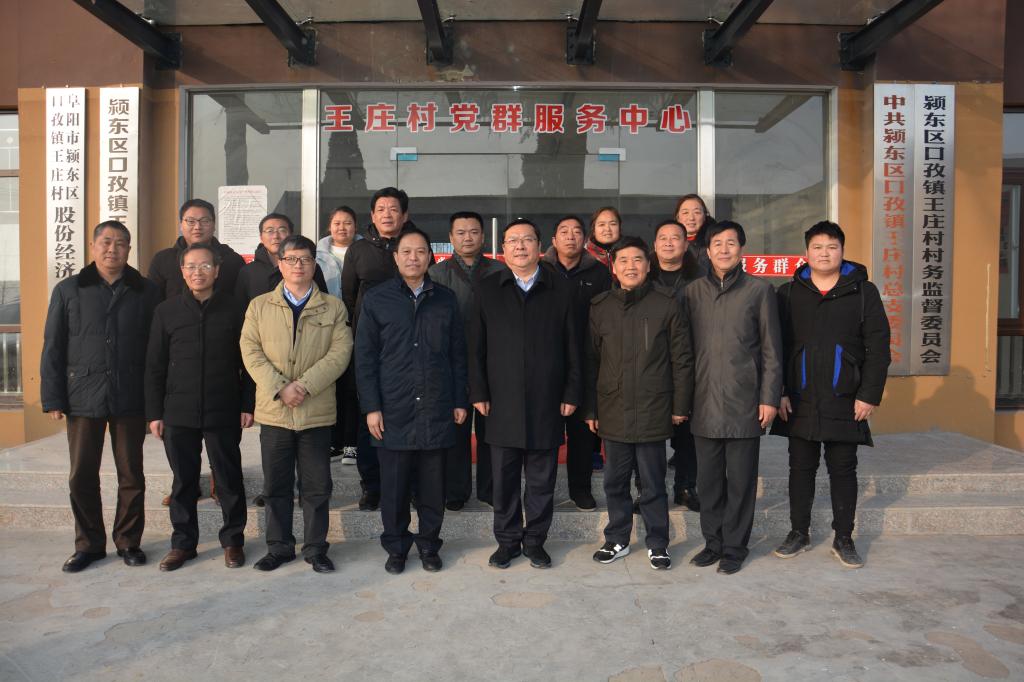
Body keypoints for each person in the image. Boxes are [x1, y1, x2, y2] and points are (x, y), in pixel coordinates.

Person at [41, 221, 160, 572]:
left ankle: (128, 541)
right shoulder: (69, 289)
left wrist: (156, 399)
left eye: (120, 243)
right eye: (106, 242)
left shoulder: (146, 291)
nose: (113, 249)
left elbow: (157, 349)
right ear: (93, 246)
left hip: (130, 393)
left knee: (131, 474)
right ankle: (89, 544)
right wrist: (53, 397)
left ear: (129, 249)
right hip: (82, 393)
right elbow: (53, 345)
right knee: (82, 474)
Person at [771, 221, 891, 569]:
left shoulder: (863, 292)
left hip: (846, 397)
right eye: (817, 247)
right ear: (806, 253)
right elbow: (776, 347)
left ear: (842, 251)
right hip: (800, 397)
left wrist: (868, 395)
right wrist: (780, 391)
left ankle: (844, 537)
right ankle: (799, 532)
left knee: (843, 469)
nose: (824, 253)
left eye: (832, 247)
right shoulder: (788, 293)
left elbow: (878, 347)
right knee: (800, 468)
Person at [355, 228, 468, 574]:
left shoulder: (445, 299)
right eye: (406, 251)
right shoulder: (377, 299)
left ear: (430, 257)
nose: (413, 258)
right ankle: (396, 548)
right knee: (394, 489)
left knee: (433, 488)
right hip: (393, 408)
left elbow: (458, 354)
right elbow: (364, 357)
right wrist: (371, 407)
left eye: (420, 251)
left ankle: (429, 546)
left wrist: (459, 400)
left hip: (436, 406)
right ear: (395, 257)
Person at [469, 219, 580, 570]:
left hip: (547, 400)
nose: (520, 246)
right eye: (513, 241)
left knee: (541, 480)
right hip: (500, 402)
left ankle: (535, 542)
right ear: (503, 248)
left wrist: (571, 391)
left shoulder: (560, 289)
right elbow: (475, 348)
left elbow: (574, 347)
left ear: (539, 247)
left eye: (527, 240)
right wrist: (478, 390)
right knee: (502, 480)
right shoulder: (487, 288)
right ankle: (507, 542)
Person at [240, 235, 353, 573]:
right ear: (280, 264)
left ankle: (316, 548)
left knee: (316, 487)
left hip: (315, 412)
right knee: (276, 486)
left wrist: (303, 385)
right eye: (290, 259)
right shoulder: (260, 306)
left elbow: (340, 353)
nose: (298, 265)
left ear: (314, 264)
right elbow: (250, 350)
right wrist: (281, 388)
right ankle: (279, 547)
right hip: (275, 412)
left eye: (304, 259)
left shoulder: (333, 307)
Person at [585, 237, 693, 570]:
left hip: (652, 408)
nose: (630, 266)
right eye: (623, 261)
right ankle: (617, 538)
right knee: (614, 481)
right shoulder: (600, 306)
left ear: (648, 265)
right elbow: (591, 361)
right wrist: (591, 409)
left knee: (652, 482)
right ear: (613, 268)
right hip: (613, 407)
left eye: (637, 260)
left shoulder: (666, 304)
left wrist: (680, 405)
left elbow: (682, 359)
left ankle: (658, 543)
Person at [145, 243, 253, 571]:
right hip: (178, 410)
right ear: (182, 271)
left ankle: (233, 541)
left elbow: (249, 362)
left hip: (223, 407)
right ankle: (183, 544)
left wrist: (247, 404)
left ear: (217, 271)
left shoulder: (235, 309)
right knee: (184, 482)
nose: (198, 272)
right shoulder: (166, 311)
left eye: (205, 266)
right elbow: (154, 366)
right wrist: (155, 413)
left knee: (229, 479)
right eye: (191, 266)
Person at [684, 220, 783, 575]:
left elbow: (772, 350)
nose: (724, 249)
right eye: (717, 243)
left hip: (745, 402)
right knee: (708, 482)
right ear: (707, 251)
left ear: (741, 249)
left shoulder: (759, 290)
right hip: (703, 401)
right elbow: (683, 351)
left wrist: (769, 398)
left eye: (731, 243)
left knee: (741, 482)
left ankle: (735, 547)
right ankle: (713, 543)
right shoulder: (692, 292)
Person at [235, 212, 329, 507]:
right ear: (261, 237)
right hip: (268, 374)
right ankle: (273, 489)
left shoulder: (310, 271)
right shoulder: (248, 273)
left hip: (310, 379)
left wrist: (305, 384)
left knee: (310, 458)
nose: (275, 234)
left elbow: (326, 322)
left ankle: (304, 490)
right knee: (275, 451)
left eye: (282, 229)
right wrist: (277, 385)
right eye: (269, 230)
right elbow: (246, 337)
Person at [341, 187, 414, 511]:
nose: (387, 214)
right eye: (381, 209)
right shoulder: (358, 251)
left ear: (405, 215)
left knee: (409, 417)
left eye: (394, 209)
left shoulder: (414, 246)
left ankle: (408, 486)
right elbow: (348, 297)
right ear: (372, 215)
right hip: (370, 347)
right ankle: (371, 486)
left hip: (409, 347)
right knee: (368, 418)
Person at [428, 211, 506, 510]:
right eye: (460, 233)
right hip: (452, 360)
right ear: (450, 238)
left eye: (473, 231)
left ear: (483, 237)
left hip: (492, 360)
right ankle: (455, 491)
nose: (467, 237)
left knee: (491, 429)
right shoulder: (437, 273)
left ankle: (489, 489)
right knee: (456, 427)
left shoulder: (500, 271)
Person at [541, 214, 611, 510]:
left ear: (585, 239)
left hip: (585, 360)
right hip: (548, 361)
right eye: (563, 231)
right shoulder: (540, 270)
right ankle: (542, 490)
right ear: (553, 240)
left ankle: (580, 489)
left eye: (576, 232)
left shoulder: (599, 273)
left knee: (582, 432)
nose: (570, 236)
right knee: (545, 431)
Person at [651, 219, 701, 511]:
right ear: (655, 244)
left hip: (688, 362)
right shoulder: (643, 275)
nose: (669, 243)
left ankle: (685, 486)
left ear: (685, 244)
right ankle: (647, 489)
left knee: (688, 434)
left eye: (675, 238)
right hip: (650, 364)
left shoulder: (701, 278)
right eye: (663, 237)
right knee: (648, 435)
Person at [316, 206, 362, 464]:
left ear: (355, 226)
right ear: (329, 226)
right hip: (327, 326)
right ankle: (333, 441)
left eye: (347, 222)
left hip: (357, 324)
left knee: (353, 386)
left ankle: (351, 443)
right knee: (331, 383)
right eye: (337, 223)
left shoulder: (364, 251)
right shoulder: (316, 254)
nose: (342, 228)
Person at [149, 198, 246, 302]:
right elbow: (153, 301)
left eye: (205, 221)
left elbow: (241, 302)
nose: (197, 227)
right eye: (191, 221)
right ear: (181, 225)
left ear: (214, 225)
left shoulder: (233, 260)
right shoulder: (163, 260)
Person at [675, 194, 715, 276]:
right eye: (685, 213)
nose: (691, 218)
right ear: (677, 217)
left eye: (697, 212)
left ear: (705, 216)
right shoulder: (667, 244)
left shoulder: (714, 245)